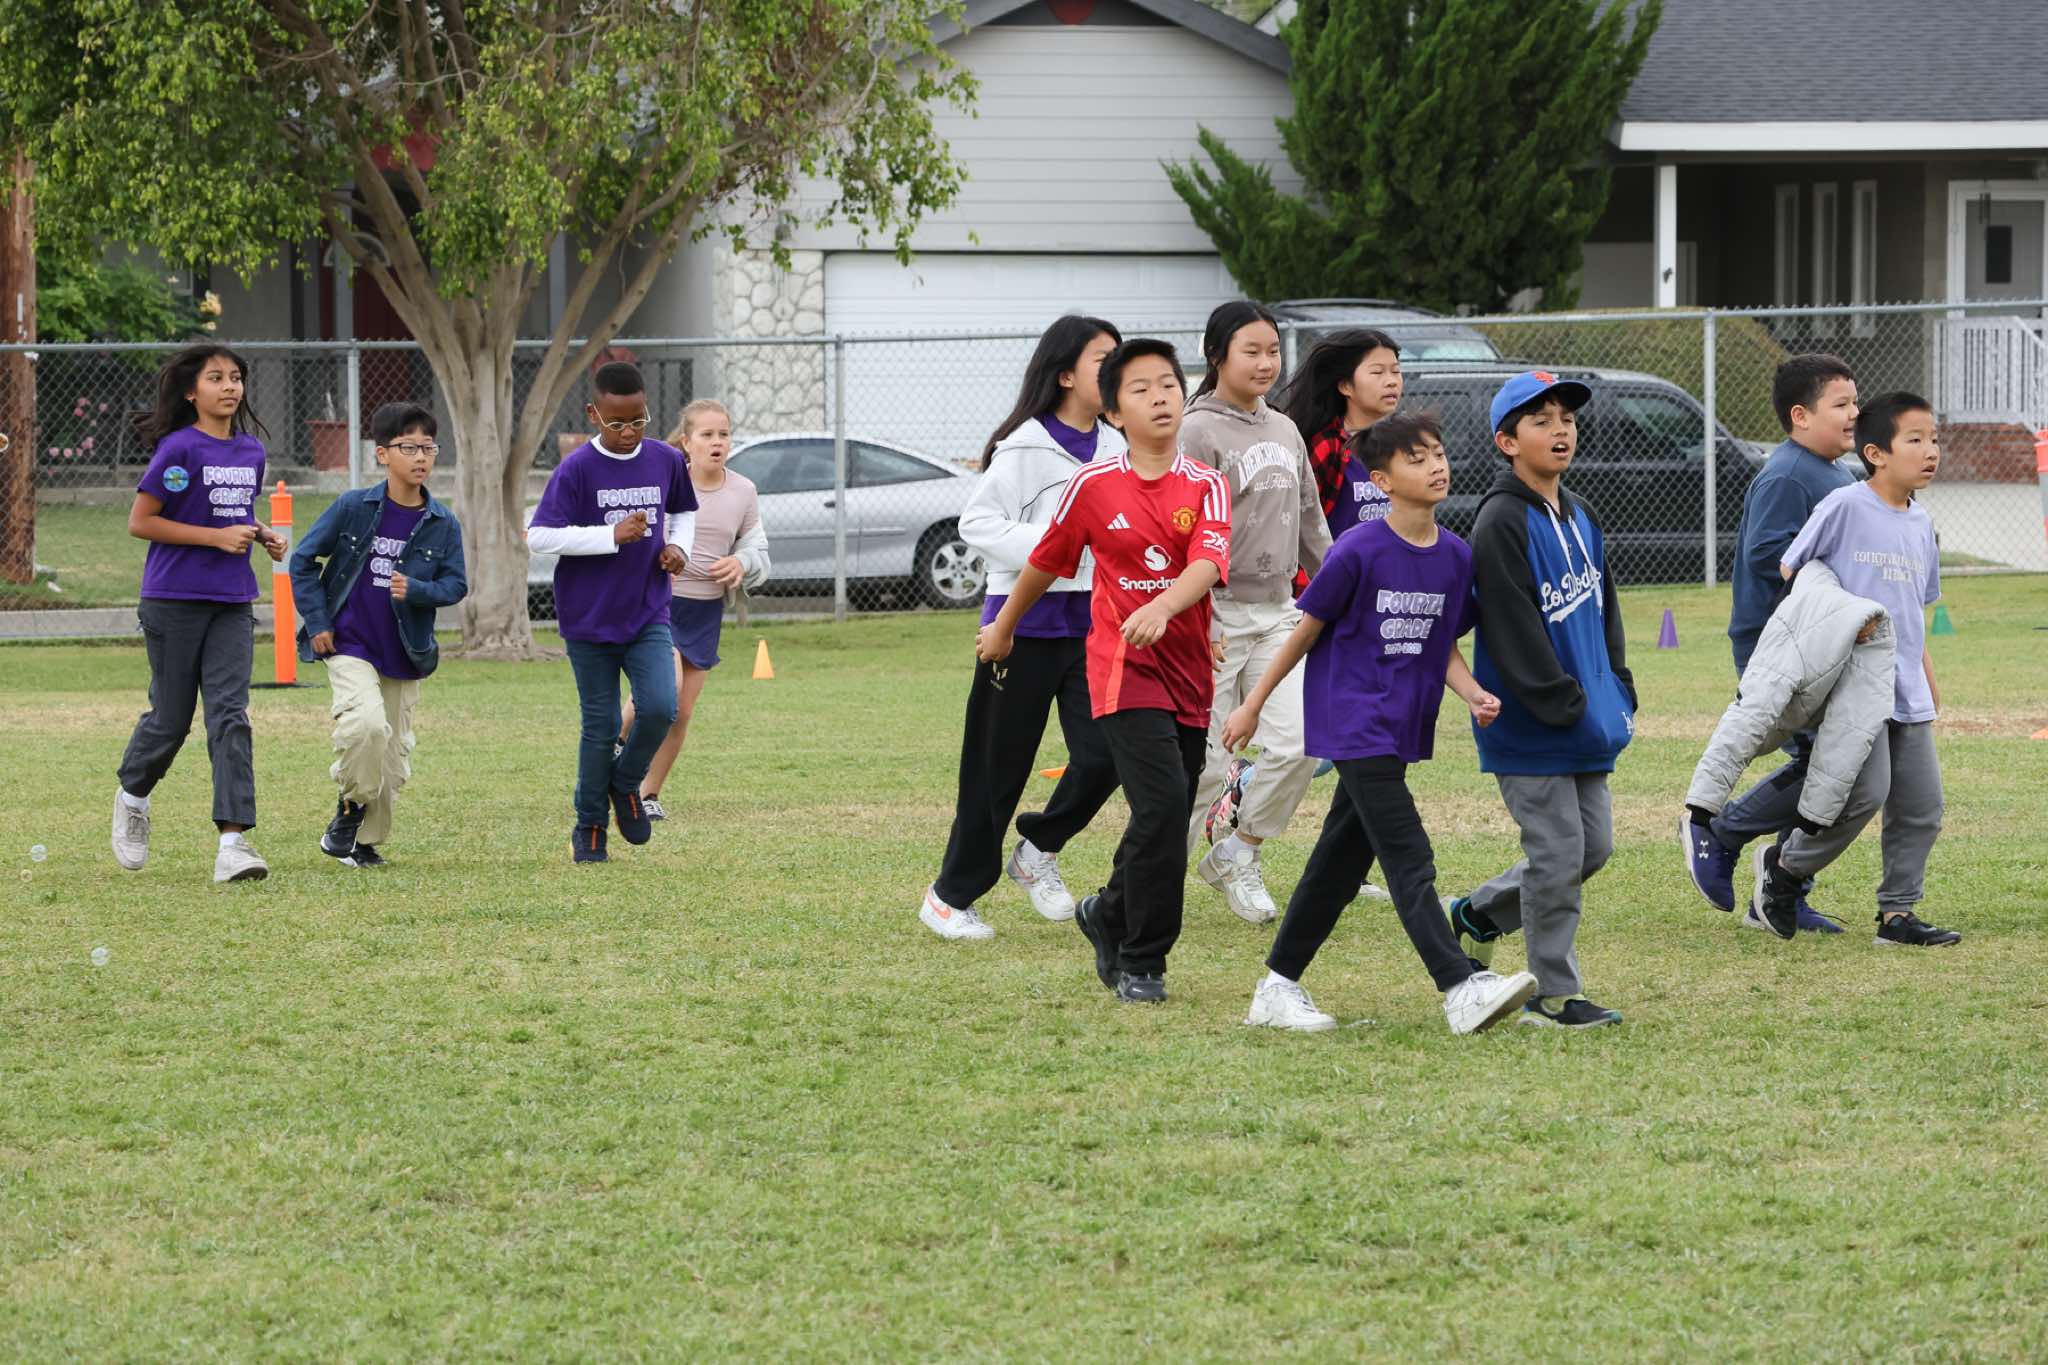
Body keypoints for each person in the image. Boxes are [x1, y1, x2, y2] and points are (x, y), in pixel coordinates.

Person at [1223, 412, 1538, 1035]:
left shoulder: (1455, 557)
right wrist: (1253, 703)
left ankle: (1277, 987)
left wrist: (1473, 693)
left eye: (1439, 454)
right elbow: (1305, 632)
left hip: (1400, 728)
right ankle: (1460, 986)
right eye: (1417, 459)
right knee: (1407, 854)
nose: (1436, 466)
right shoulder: (1358, 549)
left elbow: (1442, 644)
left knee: (1337, 865)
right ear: (1383, 480)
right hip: (1352, 722)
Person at [976, 339, 1230, 1004]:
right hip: (1120, 670)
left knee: (1164, 816)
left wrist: (1167, 606)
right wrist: (1004, 625)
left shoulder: (1206, 484)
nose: (1160, 398)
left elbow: (1207, 563)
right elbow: (1047, 561)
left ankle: (1108, 910)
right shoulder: (1091, 486)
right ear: (1115, 413)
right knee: (1162, 805)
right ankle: (1144, 960)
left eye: (1168, 385)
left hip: (1189, 676)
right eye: (1140, 389)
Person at [922, 316, 1126, 940]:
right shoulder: (1023, 446)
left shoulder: (1117, 447)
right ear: (1065, 375)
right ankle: (949, 897)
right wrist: (1056, 545)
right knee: (996, 770)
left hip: (1095, 627)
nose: (1117, 372)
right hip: (1020, 628)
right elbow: (978, 524)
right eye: (1103, 361)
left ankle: (1038, 849)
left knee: (1109, 754)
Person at [1447, 371, 1635, 1029]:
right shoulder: (1500, 520)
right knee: (1557, 855)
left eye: (1567, 419)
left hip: (1586, 715)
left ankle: (1477, 913)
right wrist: (1560, 700)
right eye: (1541, 420)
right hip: (1530, 721)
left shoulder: (1581, 513)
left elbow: (1606, 608)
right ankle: (1553, 995)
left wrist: (1618, 681)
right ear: (1507, 441)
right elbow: (1511, 626)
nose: (1560, 430)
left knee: (1592, 849)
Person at [1745, 393, 1959, 948]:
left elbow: (1913, 612)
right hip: (1854, 685)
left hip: (1906, 687)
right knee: (1865, 794)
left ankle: (1897, 915)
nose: (1931, 451)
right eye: (1915, 439)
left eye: (1934, 439)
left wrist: (1927, 681)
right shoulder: (1844, 505)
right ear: (1876, 453)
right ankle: (1784, 870)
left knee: (1922, 806)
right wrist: (1844, 621)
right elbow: (1794, 572)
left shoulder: (1921, 523)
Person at [1680, 354, 1859, 932]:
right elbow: (1768, 555)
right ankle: (1723, 833)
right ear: (1800, 416)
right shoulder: (1788, 475)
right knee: (1825, 763)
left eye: (1856, 403)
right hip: (1781, 649)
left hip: (1825, 646)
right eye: (1841, 404)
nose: (1854, 414)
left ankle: (1779, 893)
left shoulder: (1837, 472)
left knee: (1833, 763)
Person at [1178, 300, 1330, 924]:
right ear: (1217, 356)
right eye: (1252, 351)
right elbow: (1182, 532)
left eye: (1273, 351)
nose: (1266, 363)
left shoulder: (1285, 430)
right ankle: (1146, 889)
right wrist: (1197, 614)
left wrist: (1343, 590)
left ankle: (1238, 852)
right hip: (1212, 615)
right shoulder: (1195, 431)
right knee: (1207, 766)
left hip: (1277, 613)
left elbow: (1311, 522)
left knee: (1303, 743)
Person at [111, 343, 286, 883]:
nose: (230, 386)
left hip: (232, 601)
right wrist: (216, 538)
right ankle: (133, 795)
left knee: (230, 715)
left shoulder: (251, 451)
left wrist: (261, 533)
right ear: (192, 391)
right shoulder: (179, 449)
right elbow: (142, 522)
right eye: (216, 378)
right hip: (172, 601)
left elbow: (233, 510)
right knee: (171, 719)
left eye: (236, 377)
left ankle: (233, 843)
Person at [525, 361, 697, 863]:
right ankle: (590, 825)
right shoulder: (577, 468)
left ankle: (625, 783)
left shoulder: (665, 459)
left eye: (638, 421)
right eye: (617, 422)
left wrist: (679, 549)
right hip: (589, 619)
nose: (628, 432)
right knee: (600, 728)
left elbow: (684, 512)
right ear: (593, 414)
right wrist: (610, 536)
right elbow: (540, 536)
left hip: (648, 611)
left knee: (661, 706)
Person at [290, 402, 468, 868]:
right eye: (408, 447)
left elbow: (456, 585)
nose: (421, 457)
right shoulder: (354, 507)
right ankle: (351, 809)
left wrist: (419, 590)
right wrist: (319, 622)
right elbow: (303, 561)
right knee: (366, 726)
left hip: (405, 652)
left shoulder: (443, 522)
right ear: (383, 454)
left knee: (391, 762)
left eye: (428, 447)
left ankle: (361, 842)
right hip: (350, 643)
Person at [617, 398, 771, 822]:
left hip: (705, 612)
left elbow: (759, 551)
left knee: (681, 712)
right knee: (661, 692)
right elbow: (636, 537)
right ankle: (613, 743)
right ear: (687, 442)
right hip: (660, 604)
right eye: (707, 434)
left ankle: (648, 794)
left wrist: (742, 562)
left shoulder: (743, 491)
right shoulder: (664, 484)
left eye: (724, 434)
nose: (717, 442)